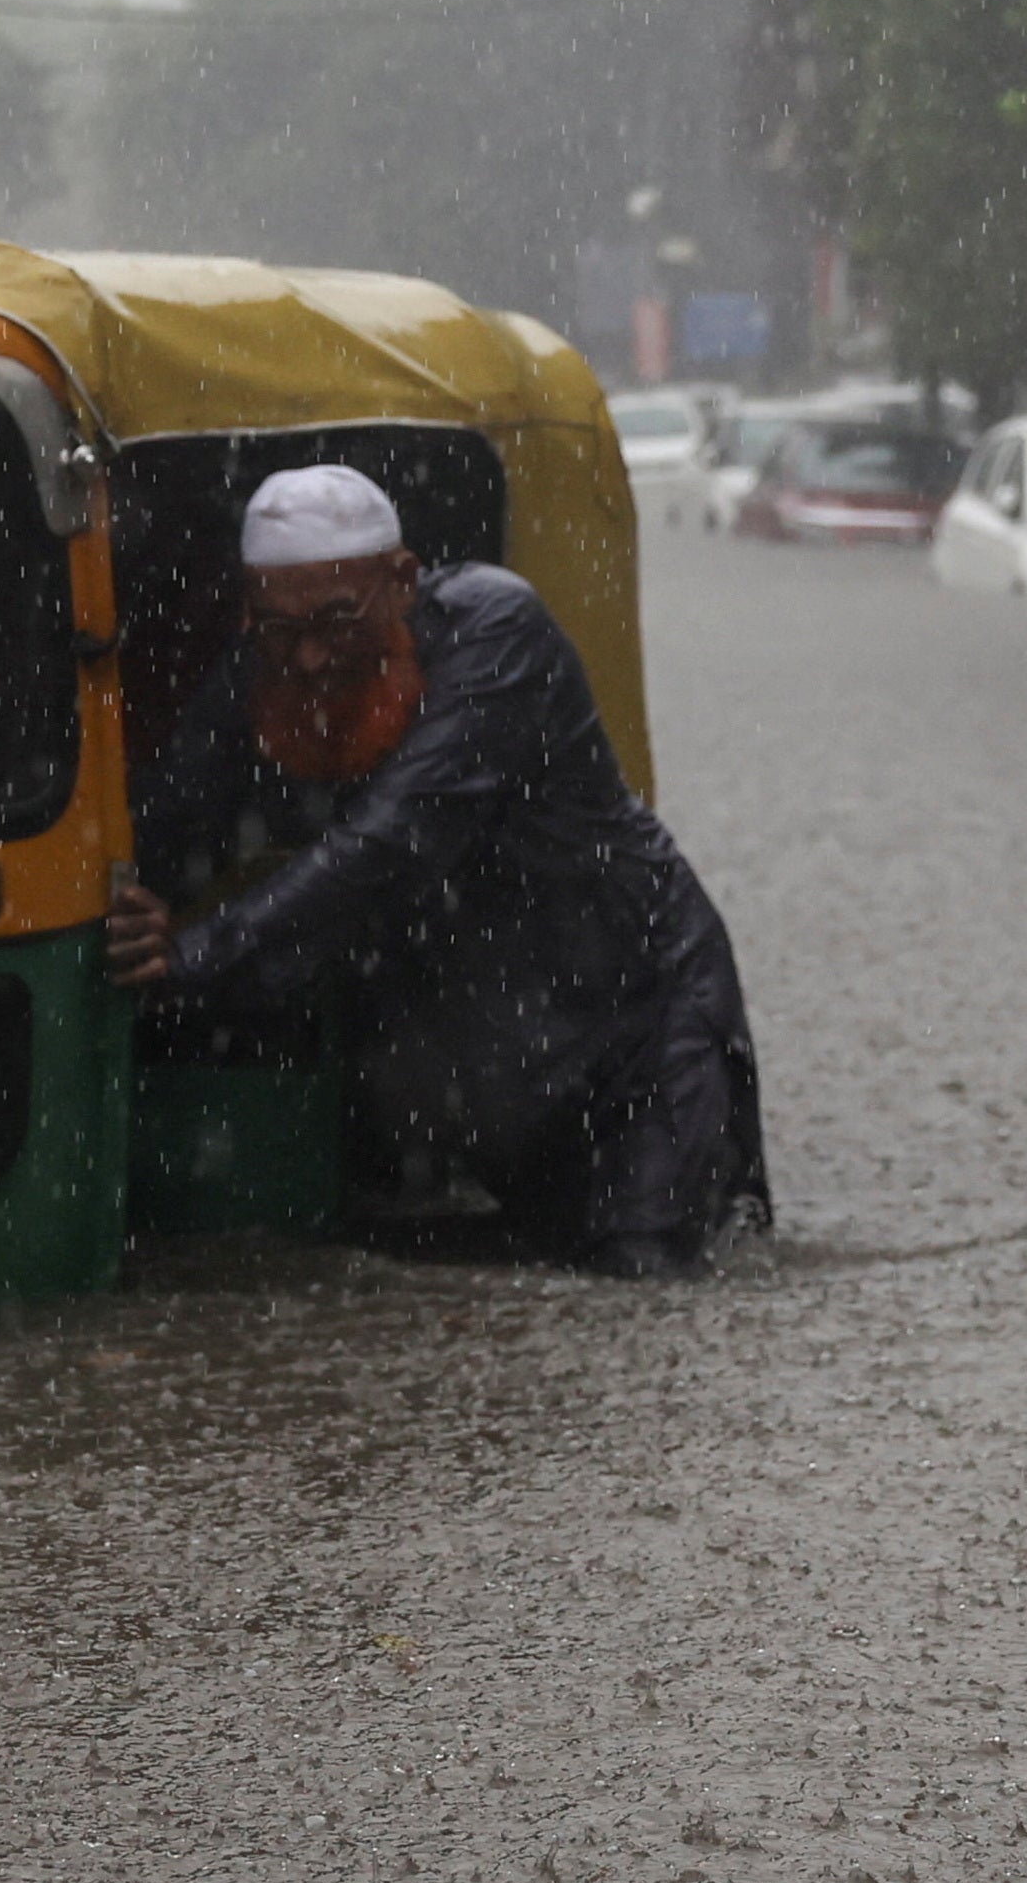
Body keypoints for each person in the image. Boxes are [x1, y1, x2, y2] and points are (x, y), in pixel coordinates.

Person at [102, 466, 768, 1277]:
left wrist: (195, 955)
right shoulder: (263, 670)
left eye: (336, 621)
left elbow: (392, 841)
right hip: (496, 1046)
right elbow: (164, 826)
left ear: (402, 582)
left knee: (652, 1274)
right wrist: (115, 917)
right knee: (517, 1271)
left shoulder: (497, 632)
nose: (309, 658)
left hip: (641, 1013)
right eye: (278, 628)